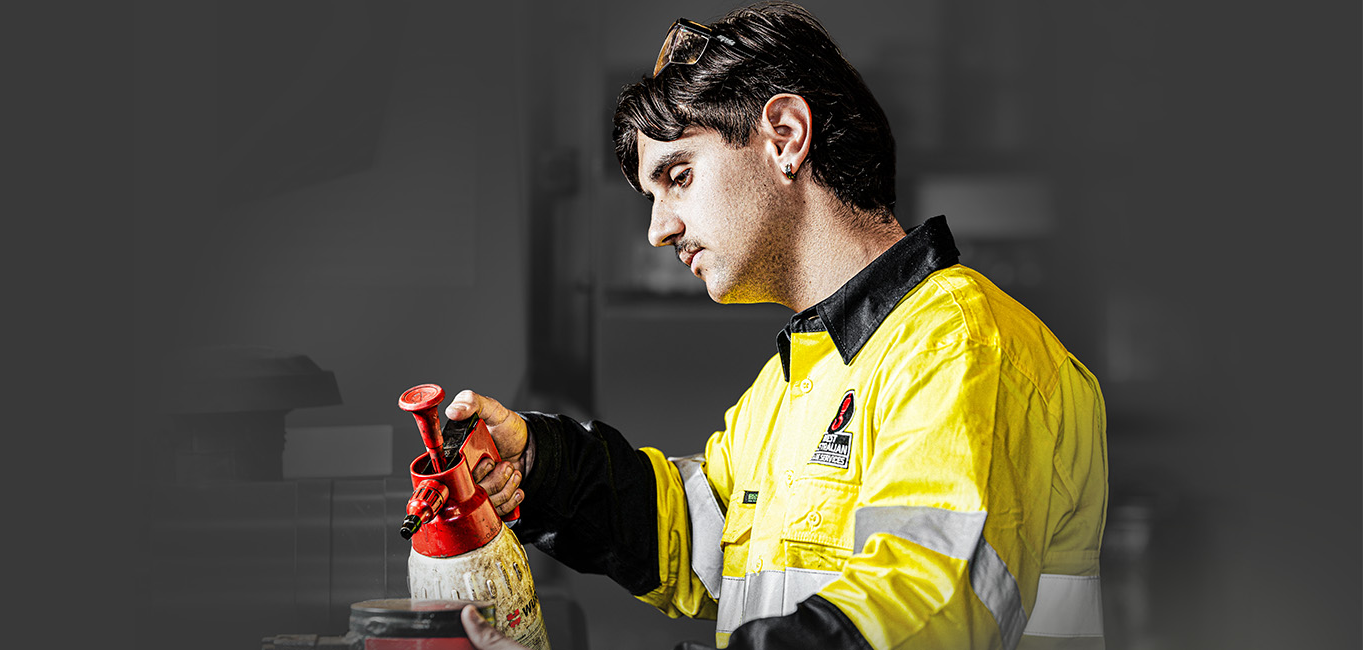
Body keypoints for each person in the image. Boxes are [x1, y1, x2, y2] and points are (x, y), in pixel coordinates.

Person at [452, 3, 1107, 648]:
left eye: (679, 176)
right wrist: (542, 464)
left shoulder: (961, 346)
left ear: (786, 136)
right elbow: (693, 534)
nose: (658, 230)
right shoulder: (797, 380)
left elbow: (915, 618)